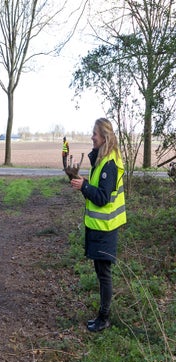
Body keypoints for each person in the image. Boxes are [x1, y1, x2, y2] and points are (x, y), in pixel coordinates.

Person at [70, 118, 126, 332]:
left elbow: (102, 197)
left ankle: (104, 318)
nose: (92, 137)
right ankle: (102, 316)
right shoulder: (102, 159)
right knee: (101, 272)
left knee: (104, 274)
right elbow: (98, 190)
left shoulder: (109, 164)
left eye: (95, 133)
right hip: (100, 227)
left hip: (105, 229)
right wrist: (84, 184)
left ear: (104, 136)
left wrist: (84, 187)